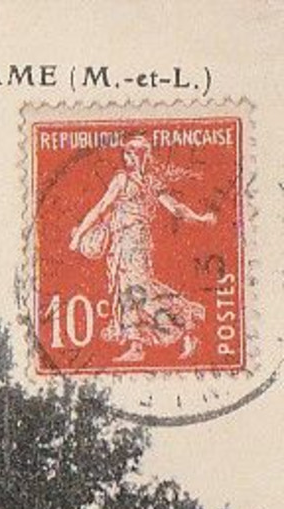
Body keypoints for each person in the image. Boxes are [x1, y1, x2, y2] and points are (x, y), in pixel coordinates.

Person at [68, 135, 217, 362]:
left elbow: (101, 207)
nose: (126, 158)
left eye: (129, 154)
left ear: (136, 156)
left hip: (134, 243)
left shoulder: (131, 181)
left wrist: (78, 235)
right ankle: (136, 346)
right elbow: (175, 209)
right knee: (126, 291)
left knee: (140, 290)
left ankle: (187, 322)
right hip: (122, 243)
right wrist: (201, 218)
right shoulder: (146, 182)